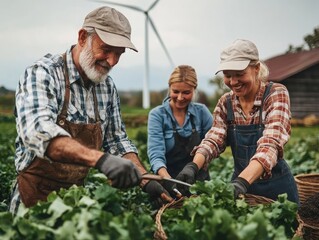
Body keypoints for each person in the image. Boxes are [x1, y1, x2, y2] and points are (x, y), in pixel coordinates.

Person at [9, 6, 173, 214]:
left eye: (119, 54)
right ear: (82, 37)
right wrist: (100, 160)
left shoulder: (106, 85)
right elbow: (39, 132)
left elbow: (116, 140)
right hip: (32, 203)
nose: (112, 61)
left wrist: (145, 179)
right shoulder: (43, 73)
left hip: (76, 204)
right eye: (106, 49)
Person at [186, 39, 299, 204]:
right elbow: (214, 139)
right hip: (239, 188)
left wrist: (242, 182)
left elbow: (270, 144)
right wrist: (194, 166)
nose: (233, 82)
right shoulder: (226, 103)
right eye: (227, 75)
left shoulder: (275, 94)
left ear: (256, 69)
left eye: (239, 74)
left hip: (277, 190)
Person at [147, 65, 213, 197]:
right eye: (175, 91)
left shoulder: (202, 112)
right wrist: (169, 181)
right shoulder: (157, 115)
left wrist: (196, 166)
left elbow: (214, 143)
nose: (180, 97)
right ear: (169, 88)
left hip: (197, 183)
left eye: (186, 92)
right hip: (167, 180)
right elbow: (156, 154)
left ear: (194, 90)